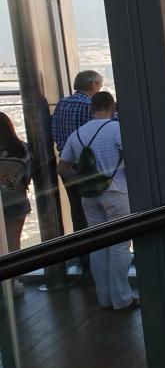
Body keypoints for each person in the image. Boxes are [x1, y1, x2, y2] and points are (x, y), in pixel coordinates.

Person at [57, 91, 136, 310]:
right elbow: (132, 159)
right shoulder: (116, 129)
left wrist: (83, 180)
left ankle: (104, 299)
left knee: (99, 245)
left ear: (91, 108)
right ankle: (122, 299)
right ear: (113, 107)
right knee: (119, 245)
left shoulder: (77, 134)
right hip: (116, 192)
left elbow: (62, 168)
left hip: (89, 196)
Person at [51, 70, 104, 243]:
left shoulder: (61, 104)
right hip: (87, 166)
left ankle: (81, 250)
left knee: (77, 211)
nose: (99, 89)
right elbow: (108, 125)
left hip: (66, 166)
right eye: (99, 85)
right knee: (96, 211)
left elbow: (55, 132)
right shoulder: (90, 106)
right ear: (92, 85)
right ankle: (96, 247)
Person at [0, 113, 32, 294]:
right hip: (17, 201)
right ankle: (13, 283)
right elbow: (28, 176)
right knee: (13, 244)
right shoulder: (22, 149)